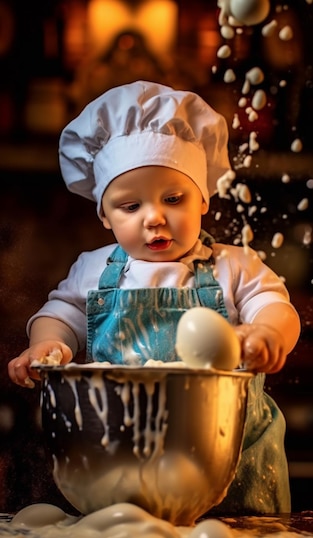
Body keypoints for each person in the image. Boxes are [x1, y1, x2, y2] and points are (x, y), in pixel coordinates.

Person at [8, 80, 300, 515]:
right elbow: (62, 311)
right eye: (130, 207)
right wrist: (48, 343)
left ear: (203, 199)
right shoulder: (93, 268)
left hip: (230, 464)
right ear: (104, 216)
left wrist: (268, 332)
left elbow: (276, 306)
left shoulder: (232, 265)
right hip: (121, 460)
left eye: (173, 198)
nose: (154, 218)